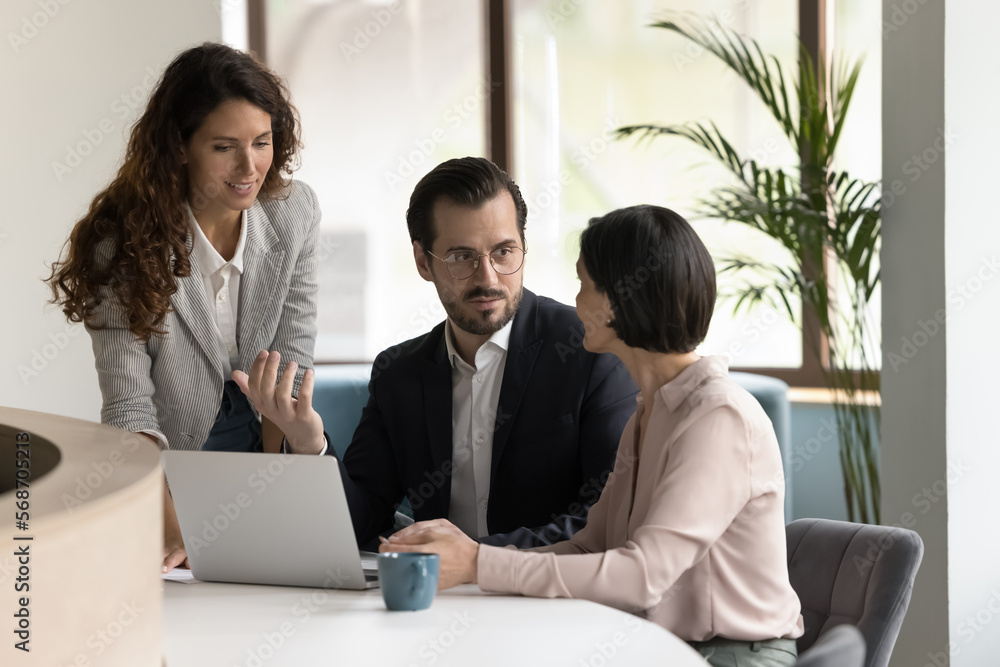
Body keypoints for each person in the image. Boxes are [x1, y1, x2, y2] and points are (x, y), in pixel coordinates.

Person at [379, 205, 804, 667]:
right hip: (661, 644)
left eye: (585, 285)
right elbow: (590, 543)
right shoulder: (651, 411)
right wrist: (470, 557)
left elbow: (643, 576)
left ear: (623, 300)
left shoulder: (717, 417)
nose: (576, 301)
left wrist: (480, 564)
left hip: (729, 655)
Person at [46, 43, 322, 572]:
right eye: (224, 147)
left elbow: (290, 377)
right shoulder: (123, 242)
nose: (250, 166)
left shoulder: (294, 214)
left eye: (262, 142)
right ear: (179, 146)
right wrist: (177, 528)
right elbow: (130, 410)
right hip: (166, 469)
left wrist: (274, 503)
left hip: (271, 446)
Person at [336, 157, 637, 549]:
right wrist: (312, 446)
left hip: (556, 598)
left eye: (503, 252)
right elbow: (363, 522)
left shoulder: (592, 349)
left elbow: (606, 518)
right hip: (437, 602)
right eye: (462, 257)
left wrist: (480, 560)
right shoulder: (398, 373)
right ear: (423, 261)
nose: (488, 278)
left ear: (524, 245)